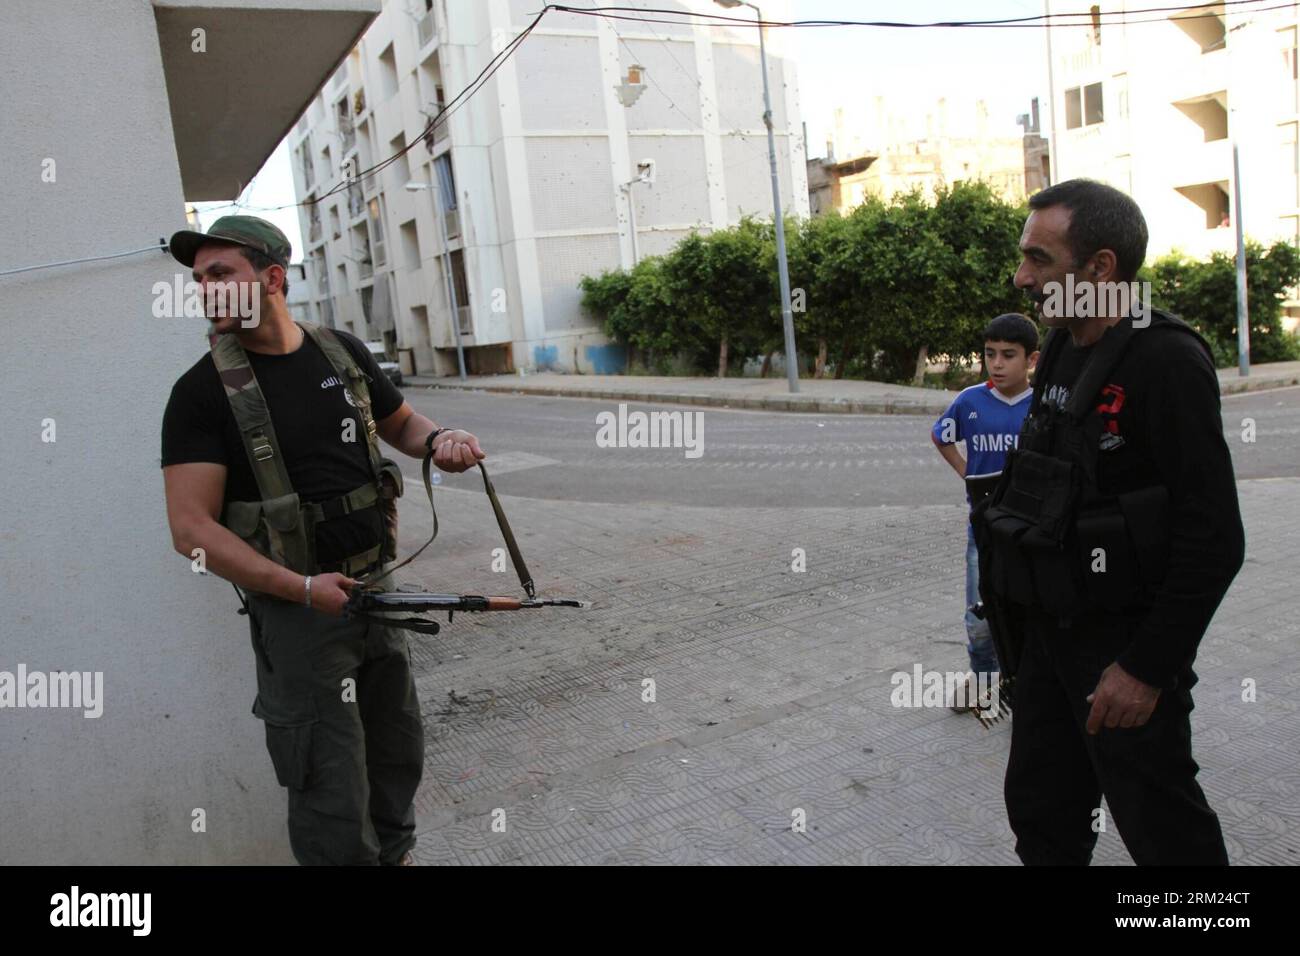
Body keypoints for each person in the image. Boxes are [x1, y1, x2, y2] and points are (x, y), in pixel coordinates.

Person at [160, 215, 486, 865]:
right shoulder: (199, 394)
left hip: (375, 593)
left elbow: (401, 424)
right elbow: (189, 531)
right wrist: (303, 588)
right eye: (199, 280)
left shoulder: (341, 351)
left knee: (396, 753)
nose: (205, 289)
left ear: (272, 278)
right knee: (329, 786)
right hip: (299, 616)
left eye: (220, 273)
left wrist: (441, 440)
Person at [976, 179, 1244, 865]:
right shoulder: (1064, 344)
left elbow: (1214, 540)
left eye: (1039, 258)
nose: (1021, 276)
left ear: (1099, 268)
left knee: (1163, 831)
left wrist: (1146, 669)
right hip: (1047, 638)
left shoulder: (1167, 361)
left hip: (1121, 654)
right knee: (1042, 815)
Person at [931, 314, 1039, 711]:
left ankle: (1027, 684)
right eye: (990, 354)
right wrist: (966, 472)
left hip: (1032, 530)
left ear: (1032, 359)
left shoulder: (1045, 402)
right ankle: (983, 679)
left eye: (1009, 355)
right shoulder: (969, 401)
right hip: (984, 530)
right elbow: (940, 436)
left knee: (1030, 608)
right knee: (980, 613)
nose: (997, 363)